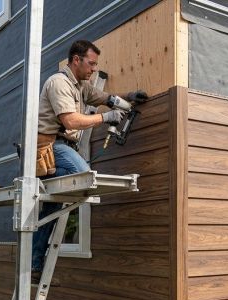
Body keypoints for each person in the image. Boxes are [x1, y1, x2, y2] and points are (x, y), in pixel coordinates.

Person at [31, 39, 148, 278]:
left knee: (52, 207)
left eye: (96, 65)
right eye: (91, 64)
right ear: (76, 60)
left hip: (64, 147)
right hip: (51, 146)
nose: (94, 69)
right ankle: (51, 177)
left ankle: (34, 263)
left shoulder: (81, 86)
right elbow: (71, 121)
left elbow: (105, 98)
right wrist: (107, 118)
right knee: (84, 178)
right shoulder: (59, 83)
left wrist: (129, 97)